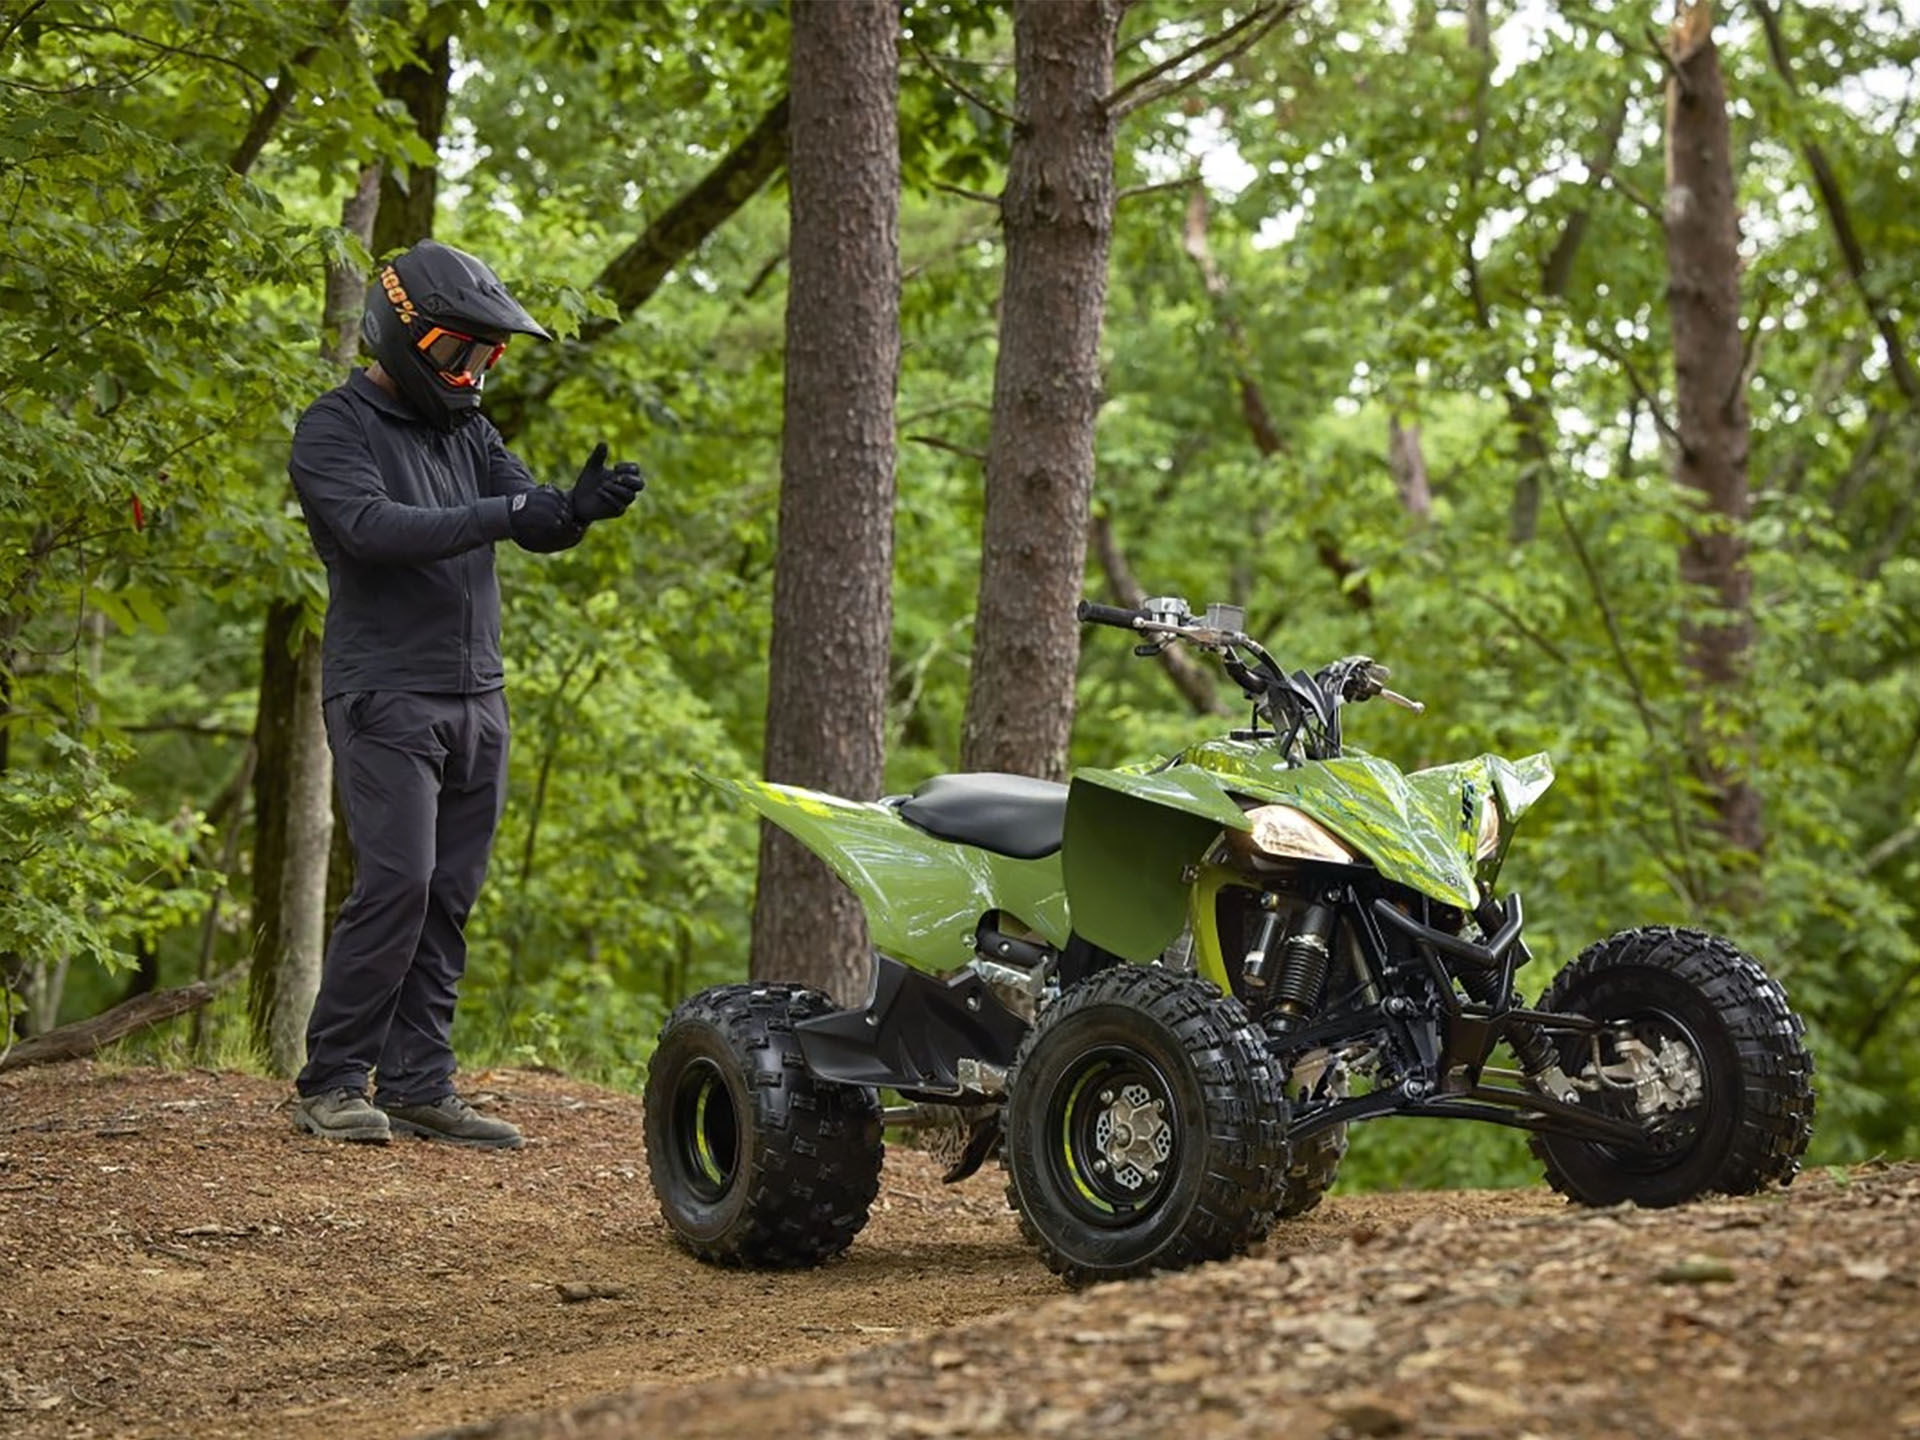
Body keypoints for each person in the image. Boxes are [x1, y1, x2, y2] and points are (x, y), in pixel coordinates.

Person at [286, 239, 645, 1148]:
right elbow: (371, 530)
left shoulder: (471, 433)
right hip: (386, 695)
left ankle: (418, 1082)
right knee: (398, 883)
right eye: (459, 352)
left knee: (449, 893)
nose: (473, 371)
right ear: (403, 335)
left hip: (477, 696)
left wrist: (579, 507)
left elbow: (532, 516)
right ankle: (331, 1080)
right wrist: (509, 514)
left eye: (487, 355)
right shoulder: (334, 428)